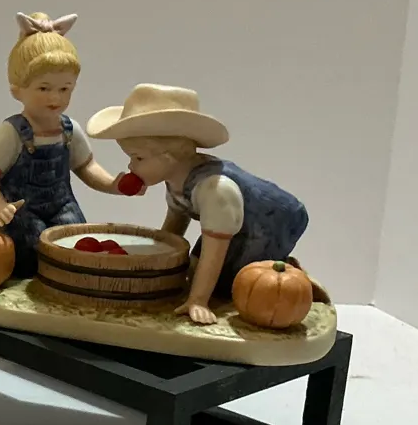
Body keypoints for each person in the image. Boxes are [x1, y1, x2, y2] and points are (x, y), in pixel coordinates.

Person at [88, 84, 312, 324]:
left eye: (138, 158)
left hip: (271, 223)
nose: (131, 166)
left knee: (234, 288)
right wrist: (159, 270)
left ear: (169, 157)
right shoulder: (175, 178)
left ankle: (291, 278)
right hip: (230, 222)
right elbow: (172, 232)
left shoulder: (214, 190)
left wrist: (198, 300)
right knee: (193, 269)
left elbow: (215, 249)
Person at [0, 12, 138, 277]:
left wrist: (114, 185)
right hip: (22, 212)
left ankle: (70, 287)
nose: (56, 98)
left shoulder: (68, 129)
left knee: (76, 243)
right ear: (17, 90)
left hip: (63, 206)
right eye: (44, 88)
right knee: (34, 249)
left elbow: (87, 167)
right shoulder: (12, 133)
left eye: (65, 89)